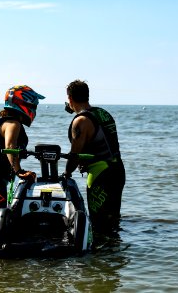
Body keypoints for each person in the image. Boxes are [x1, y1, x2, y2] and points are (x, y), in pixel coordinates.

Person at [63, 79, 125, 237]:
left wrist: (66, 174)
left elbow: (75, 154)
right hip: (118, 170)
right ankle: (115, 254)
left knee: (98, 224)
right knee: (113, 220)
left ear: (70, 99)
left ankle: (100, 257)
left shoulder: (81, 121)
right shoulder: (103, 113)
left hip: (100, 174)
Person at [0, 85, 45, 219]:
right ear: (23, 104)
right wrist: (19, 171)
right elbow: (10, 147)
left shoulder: (8, 122)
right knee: (0, 219)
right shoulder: (12, 124)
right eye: (34, 106)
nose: (35, 110)